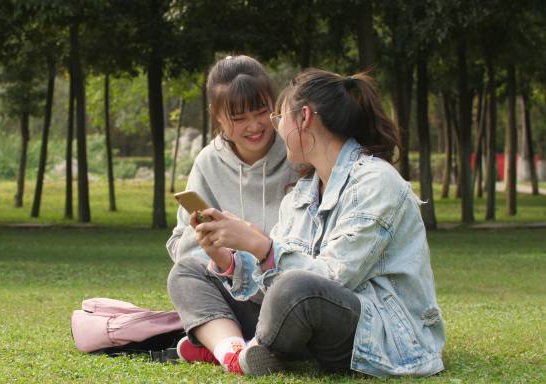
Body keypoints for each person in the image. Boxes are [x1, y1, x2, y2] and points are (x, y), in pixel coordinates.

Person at [167, 68, 445, 377]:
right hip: (304, 322)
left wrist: (259, 245)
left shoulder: (375, 182)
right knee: (191, 269)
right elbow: (272, 282)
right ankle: (235, 353)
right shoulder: (302, 192)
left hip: (375, 331)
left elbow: (333, 280)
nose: (275, 127)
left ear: (305, 118)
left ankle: (248, 347)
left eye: (278, 117)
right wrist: (228, 260)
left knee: (295, 288)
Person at [166, 55, 298, 263]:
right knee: (184, 273)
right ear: (216, 114)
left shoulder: (298, 151)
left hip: (288, 275)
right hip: (228, 277)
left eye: (262, 112)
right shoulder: (208, 162)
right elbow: (180, 245)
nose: (254, 126)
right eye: (239, 118)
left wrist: (261, 246)